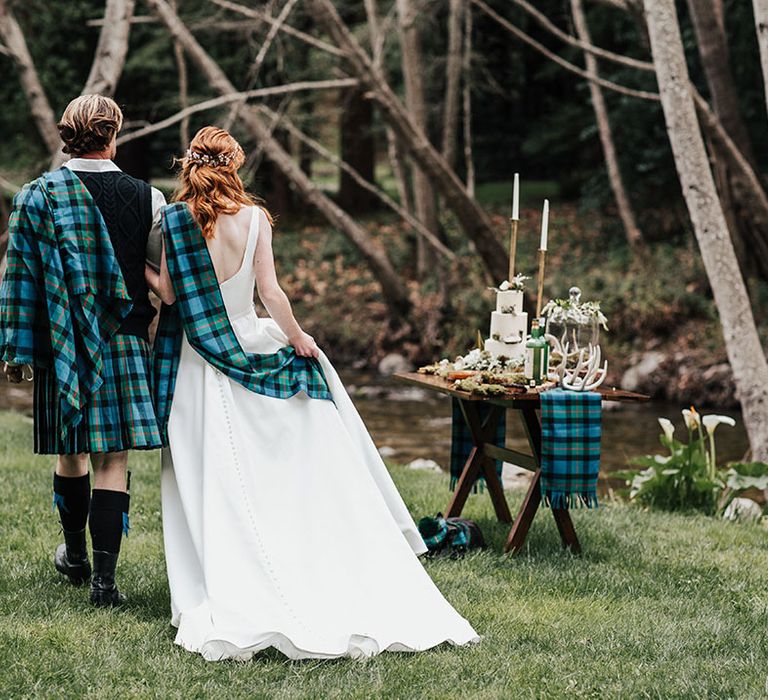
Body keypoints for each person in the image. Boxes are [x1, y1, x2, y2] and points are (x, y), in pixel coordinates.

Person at [146, 126, 479, 661]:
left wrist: (129, 263)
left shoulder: (176, 222)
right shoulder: (255, 220)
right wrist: (299, 339)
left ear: (189, 165)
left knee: (210, 478)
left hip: (196, 358)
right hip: (249, 340)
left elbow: (166, 293)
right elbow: (270, 294)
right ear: (235, 164)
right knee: (264, 475)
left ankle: (222, 575)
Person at [0, 95, 165, 606]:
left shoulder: (36, 195)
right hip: (123, 341)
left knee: (71, 454)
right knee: (111, 459)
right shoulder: (150, 197)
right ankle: (104, 584)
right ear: (114, 132)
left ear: (65, 134)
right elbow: (159, 276)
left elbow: (18, 277)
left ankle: (75, 556)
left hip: (61, 343)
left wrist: (16, 349)